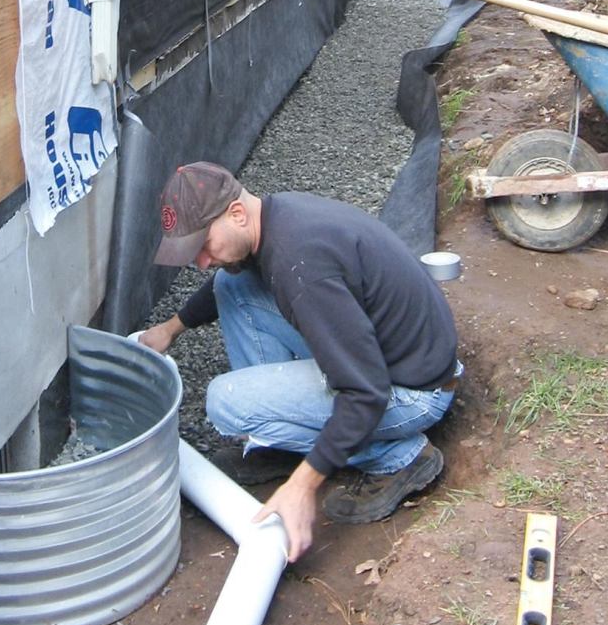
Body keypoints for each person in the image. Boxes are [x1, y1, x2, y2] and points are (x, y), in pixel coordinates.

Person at [139, 162, 461, 562]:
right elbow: (226, 283)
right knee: (231, 284)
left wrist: (303, 485)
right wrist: (171, 328)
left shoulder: (302, 268)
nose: (201, 261)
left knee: (226, 402)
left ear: (236, 214)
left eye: (204, 245)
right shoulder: (278, 218)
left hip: (412, 392)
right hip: (397, 355)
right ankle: (277, 443)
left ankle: (401, 458)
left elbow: (365, 391)